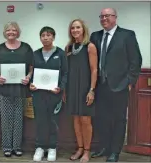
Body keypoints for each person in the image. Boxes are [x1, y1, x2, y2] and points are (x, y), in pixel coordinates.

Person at [90, 8, 142, 162]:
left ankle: (115, 151)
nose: (104, 18)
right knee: (101, 119)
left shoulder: (127, 35)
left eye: (107, 16)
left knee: (118, 120)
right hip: (100, 86)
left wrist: (129, 82)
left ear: (115, 17)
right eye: (102, 16)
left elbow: (135, 60)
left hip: (119, 86)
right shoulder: (95, 36)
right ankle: (104, 147)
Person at [0, 21, 34, 157]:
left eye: (14, 30)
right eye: (8, 30)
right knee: (6, 119)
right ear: (5, 32)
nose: (11, 32)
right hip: (4, 90)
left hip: (20, 89)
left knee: (19, 119)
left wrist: (28, 77)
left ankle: (17, 146)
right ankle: (7, 147)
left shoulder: (26, 48)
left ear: (18, 32)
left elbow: (31, 66)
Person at [30, 26, 68, 162]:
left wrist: (61, 88)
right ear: (40, 38)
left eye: (48, 35)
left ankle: (52, 147)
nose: (45, 38)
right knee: (40, 121)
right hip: (38, 94)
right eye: (43, 35)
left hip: (54, 94)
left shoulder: (61, 53)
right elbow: (31, 72)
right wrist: (31, 84)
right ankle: (40, 147)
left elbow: (65, 73)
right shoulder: (35, 54)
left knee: (53, 121)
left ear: (53, 37)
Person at [64, 19, 98, 163]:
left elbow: (94, 69)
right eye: (73, 28)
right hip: (71, 88)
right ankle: (79, 148)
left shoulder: (90, 46)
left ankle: (87, 151)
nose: (75, 30)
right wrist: (65, 90)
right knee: (76, 119)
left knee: (85, 119)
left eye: (78, 27)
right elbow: (66, 70)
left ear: (83, 29)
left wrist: (91, 90)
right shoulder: (68, 47)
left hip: (85, 87)